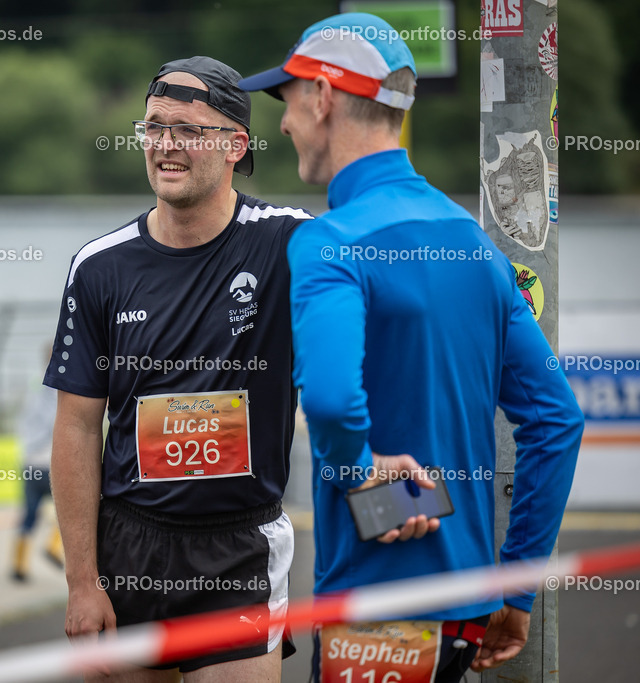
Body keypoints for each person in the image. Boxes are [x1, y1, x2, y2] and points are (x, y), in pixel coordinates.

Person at [239, 13, 584, 682]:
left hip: (374, 615)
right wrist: (515, 588)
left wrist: (363, 476)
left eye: (287, 99)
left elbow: (332, 402)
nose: (281, 124)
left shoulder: (331, 241)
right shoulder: (471, 242)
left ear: (323, 96)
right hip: (466, 610)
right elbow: (558, 420)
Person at [46, 56, 312, 680]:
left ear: (236, 145)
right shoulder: (100, 266)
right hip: (130, 546)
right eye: (155, 127)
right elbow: (77, 427)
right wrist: (82, 582)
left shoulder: (291, 242)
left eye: (188, 130)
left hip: (240, 549)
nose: (166, 144)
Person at [10, 359, 63, 582]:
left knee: (29, 515)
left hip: (30, 462)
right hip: (51, 463)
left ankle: (18, 567)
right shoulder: (61, 391)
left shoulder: (33, 392)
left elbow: (22, 425)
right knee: (69, 509)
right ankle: (54, 547)